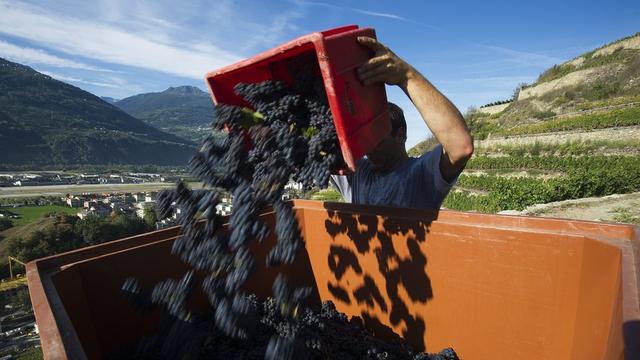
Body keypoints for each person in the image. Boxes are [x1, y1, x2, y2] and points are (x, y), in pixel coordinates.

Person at [330, 36, 474, 209]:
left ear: (401, 135)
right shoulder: (356, 173)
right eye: (365, 140)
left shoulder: (421, 174)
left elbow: (460, 146)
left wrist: (406, 76)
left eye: (376, 139)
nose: (368, 148)